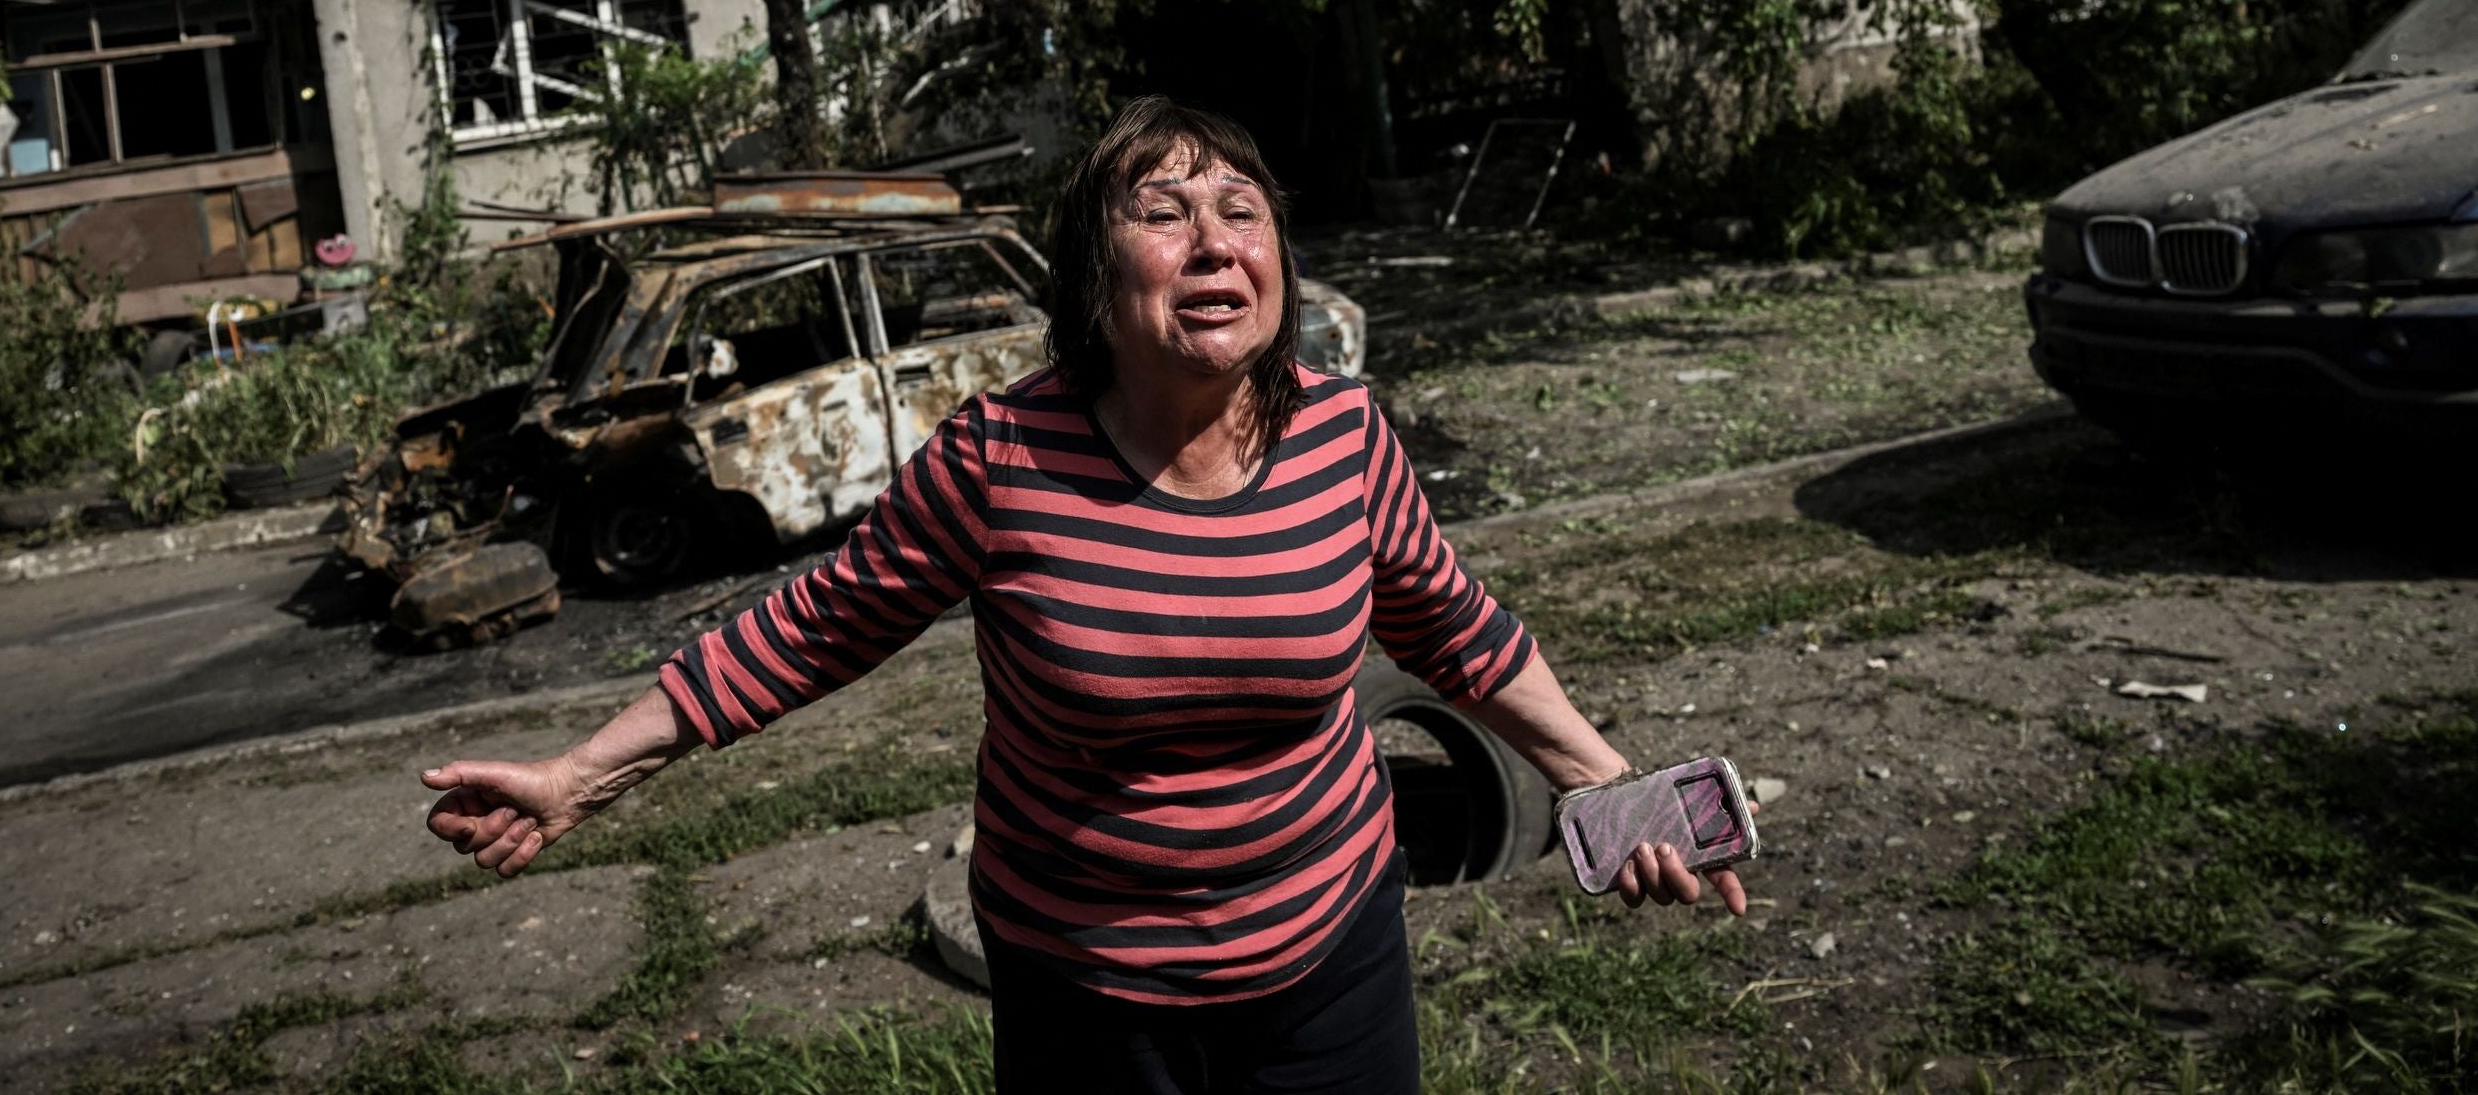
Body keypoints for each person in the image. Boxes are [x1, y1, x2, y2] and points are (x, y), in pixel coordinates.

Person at [420, 97, 1752, 1093]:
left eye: (1242, 211)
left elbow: (1453, 628)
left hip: (1332, 950)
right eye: (1165, 215)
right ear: (1095, 275)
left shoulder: (1344, 437)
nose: (1214, 241)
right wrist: (583, 775)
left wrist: (1599, 776)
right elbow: (815, 628)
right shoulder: (1003, 462)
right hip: (1089, 990)